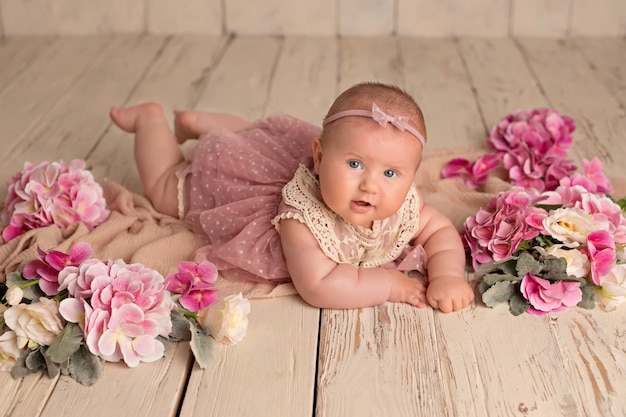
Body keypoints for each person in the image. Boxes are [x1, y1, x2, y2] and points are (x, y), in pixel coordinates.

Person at [110, 82, 474, 312]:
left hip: (278, 157)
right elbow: (319, 286)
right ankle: (150, 121)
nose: (370, 185)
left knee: (261, 136)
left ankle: (202, 123)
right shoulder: (300, 219)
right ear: (319, 158)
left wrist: (448, 275)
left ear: (410, 176)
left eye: (391, 173)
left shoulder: (404, 205)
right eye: (354, 164)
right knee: (164, 191)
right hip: (239, 181)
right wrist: (391, 284)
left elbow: (440, 233)